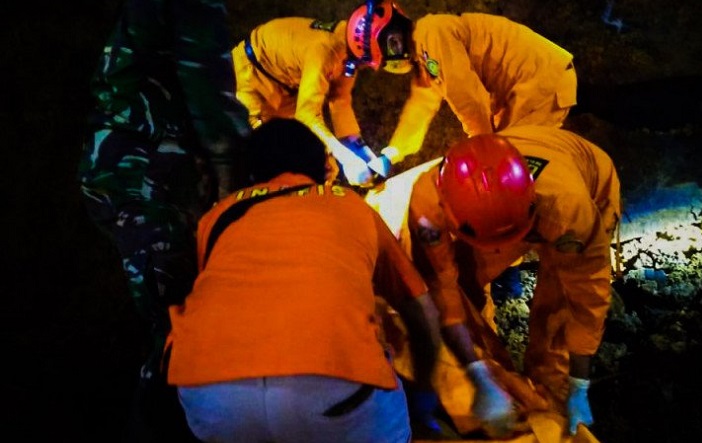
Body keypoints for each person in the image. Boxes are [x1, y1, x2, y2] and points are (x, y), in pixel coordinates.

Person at [166, 118, 442, 443]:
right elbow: (421, 312)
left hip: (209, 392)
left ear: (252, 171)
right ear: (321, 167)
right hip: (335, 386)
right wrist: (424, 386)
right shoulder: (349, 205)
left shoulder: (218, 216)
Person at [76, 0, 250, 439]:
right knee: (178, 317)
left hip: (129, 162)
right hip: (144, 168)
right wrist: (236, 173)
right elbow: (208, 82)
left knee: (167, 316)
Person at [391, 125, 620, 437]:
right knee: (463, 284)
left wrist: (579, 381)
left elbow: (586, 300)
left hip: (582, 183)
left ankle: (551, 393)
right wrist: (477, 372)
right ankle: (500, 377)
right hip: (492, 214)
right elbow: (444, 289)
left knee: (559, 303)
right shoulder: (429, 208)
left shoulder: (568, 209)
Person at [358, 12, 577, 175]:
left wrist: (482, 148)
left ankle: (562, 225)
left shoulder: (432, 35)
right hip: (532, 84)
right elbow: (420, 107)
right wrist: (390, 155)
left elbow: (466, 96)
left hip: (538, 82)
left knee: (518, 168)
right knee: (514, 164)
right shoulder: (424, 53)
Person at [232, 0, 413, 186]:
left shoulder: (349, 55)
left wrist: (363, 153)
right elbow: (307, 115)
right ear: (371, 39)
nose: (399, 48)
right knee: (268, 161)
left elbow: (339, 102)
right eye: (394, 42)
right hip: (253, 81)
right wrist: (347, 159)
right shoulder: (326, 50)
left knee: (323, 166)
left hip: (286, 87)